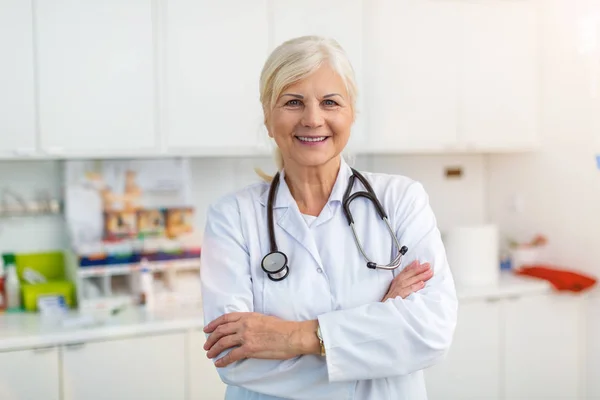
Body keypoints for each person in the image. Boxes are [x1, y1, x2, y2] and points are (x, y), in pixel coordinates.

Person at [200, 35, 458, 400]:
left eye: (330, 102)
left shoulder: (401, 200)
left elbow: (431, 332)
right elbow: (236, 360)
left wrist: (296, 337)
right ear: (268, 117)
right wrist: (378, 325)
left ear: (351, 112)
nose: (312, 119)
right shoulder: (233, 218)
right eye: (292, 102)